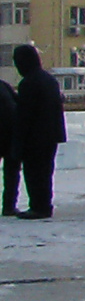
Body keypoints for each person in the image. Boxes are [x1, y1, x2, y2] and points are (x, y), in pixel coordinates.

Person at [12, 45, 66, 221]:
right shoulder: (49, 80)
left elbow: (24, 115)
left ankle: (38, 207)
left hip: (35, 137)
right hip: (51, 135)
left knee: (34, 173)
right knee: (45, 172)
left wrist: (18, 141)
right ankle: (44, 205)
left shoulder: (28, 83)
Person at [0, 69, 17, 216]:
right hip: (10, 137)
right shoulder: (4, 86)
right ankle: (9, 205)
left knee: (11, 173)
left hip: (9, 137)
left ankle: (9, 205)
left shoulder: (4, 86)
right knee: (11, 174)